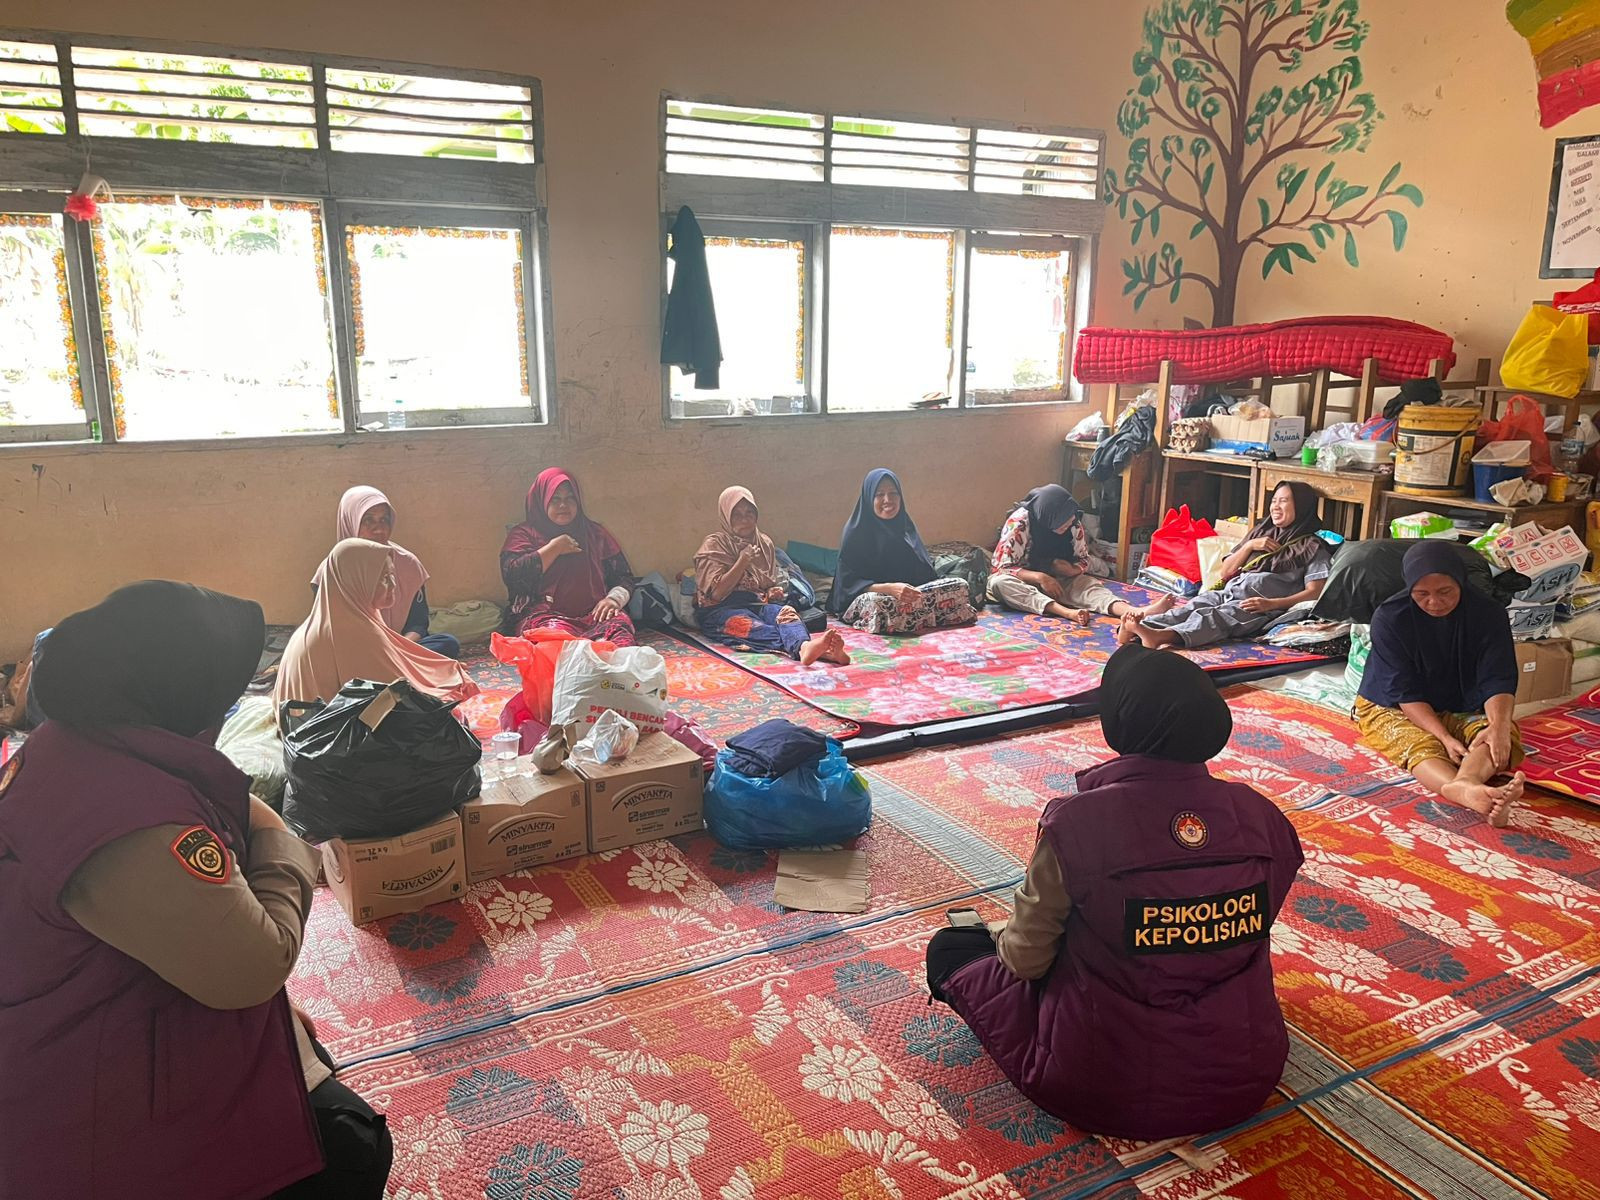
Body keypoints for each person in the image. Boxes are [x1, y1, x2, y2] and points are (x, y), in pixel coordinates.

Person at [0, 582, 393, 1199]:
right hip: (83, 1107)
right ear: (178, 696)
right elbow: (254, 967)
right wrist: (287, 841)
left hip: (70, 1019)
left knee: (298, 1045)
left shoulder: (69, 743)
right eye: (223, 693)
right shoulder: (129, 822)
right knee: (351, 1142)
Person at [924, 645, 1304, 1139]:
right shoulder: (1261, 816)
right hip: (1246, 1075)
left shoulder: (1078, 823)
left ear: (1119, 721)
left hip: (1099, 1087)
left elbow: (1025, 960)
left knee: (952, 949)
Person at [1355, 540, 1525, 825]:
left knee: (1497, 734)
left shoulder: (1488, 613)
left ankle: (1468, 781)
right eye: (1422, 594)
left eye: (1445, 591)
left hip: (1462, 700)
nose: (1434, 602)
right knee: (1419, 744)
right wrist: (1444, 737)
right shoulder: (1390, 618)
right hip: (1393, 704)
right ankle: (1458, 790)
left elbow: (1498, 677)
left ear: (1460, 581)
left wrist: (1498, 727)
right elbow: (1404, 691)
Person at [275, 538, 478, 725]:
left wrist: (434, 668)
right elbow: (392, 694)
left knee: (440, 657)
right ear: (357, 581)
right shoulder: (354, 630)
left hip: (299, 721)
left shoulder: (333, 616)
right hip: (326, 732)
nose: (393, 585)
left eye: (392, 576)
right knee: (442, 716)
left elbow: (396, 653)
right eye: (384, 579)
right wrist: (437, 684)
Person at [1120, 481, 1332, 650]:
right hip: (1230, 592)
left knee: (1214, 618)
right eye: (1274, 500)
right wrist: (1249, 546)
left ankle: (1160, 637)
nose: (1275, 506)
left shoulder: (1313, 547)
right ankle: (1138, 630)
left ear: (1301, 506)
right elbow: (1226, 572)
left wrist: (1272, 604)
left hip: (1259, 607)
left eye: (1283, 501)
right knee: (1193, 606)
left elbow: (1315, 591)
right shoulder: (1261, 533)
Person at [694, 486, 850, 666]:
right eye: (737, 514)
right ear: (726, 516)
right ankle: (811, 649)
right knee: (748, 626)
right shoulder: (714, 545)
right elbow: (716, 594)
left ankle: (807, 648)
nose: (744, 519)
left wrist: (772, 592)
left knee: (786, 613)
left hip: (756, 604)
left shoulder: (764, 543)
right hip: (719, 610)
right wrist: (743, 561)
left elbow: (765, 584)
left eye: (749, 513)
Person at [988, 484, 1174, 625]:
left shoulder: (1073, 522)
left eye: (1069, 521)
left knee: (1087, 585)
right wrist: (1040, 577)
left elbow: (1084, 559)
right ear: (1048, 516)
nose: (1067, 525)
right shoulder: (1020, 522)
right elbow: (1001, 568)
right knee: (999, 584)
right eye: (1062, 522)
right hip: (1023, 580)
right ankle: (1065, 612)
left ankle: (1133, 611)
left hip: (1058, 578)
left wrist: (1073, 570)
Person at [828, 469, 976, 635]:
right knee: (877, 603)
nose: (888, 500)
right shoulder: (856, 532)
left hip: (907, 596)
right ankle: (924, 616)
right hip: (872, 596)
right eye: (879, 494)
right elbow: (847, 585)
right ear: (869, 498)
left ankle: (909, 619)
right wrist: (890, 588)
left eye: (893, 493)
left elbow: (925, 573)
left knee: (959, 585)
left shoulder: (905, 527)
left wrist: (912, 590)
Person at [501, 468, 638, 646]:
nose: (563, 505)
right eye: (555, 499)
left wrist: (613, 599)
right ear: (541, 501)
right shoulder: (524, 534)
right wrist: (554, 548)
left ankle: (601, 655)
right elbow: (513, 578)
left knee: (621, 636)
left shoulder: (594, 533)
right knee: (555, 643)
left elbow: (623, 577)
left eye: (570, 498)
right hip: (545, 616)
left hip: (595, 615)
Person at [324, 485, 459, 658]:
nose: (379, 529)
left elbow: (418, 624)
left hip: (399, 646)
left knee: (447, 643)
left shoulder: (407, 564)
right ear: (350, 522)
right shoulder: (332, 572)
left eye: (384, 520)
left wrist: (396, 648)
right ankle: (394, 666)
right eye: (368, 520)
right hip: (358, 650)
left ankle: (390, 664)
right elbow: (331, 630)